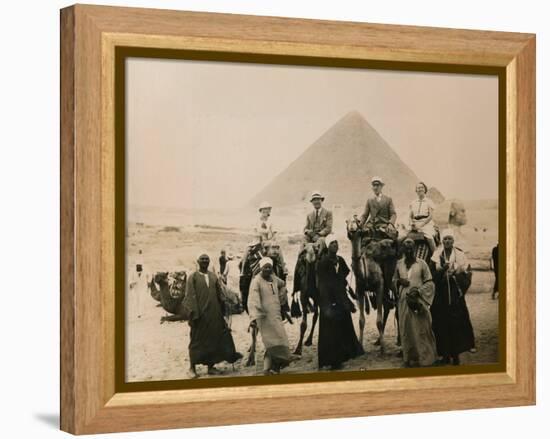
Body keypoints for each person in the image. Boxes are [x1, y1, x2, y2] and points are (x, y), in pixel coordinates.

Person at [182, 253, 242, 378]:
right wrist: (194, 314)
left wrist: (225, 307)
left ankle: (211, 367)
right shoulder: (192, 277)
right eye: (202, 259)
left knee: (213, 340)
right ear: (198, 261)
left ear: (209, 261)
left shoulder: (213, 276)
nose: (205, 261)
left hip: (214, 315)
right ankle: (192, 368)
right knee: (196, 341)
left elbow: (220, 294)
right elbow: (189, 297)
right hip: (200, 316)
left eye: (207, 259)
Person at [317, 234, 364, 369]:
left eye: (336, 243)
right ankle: (333, 361)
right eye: (332, 243)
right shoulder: (323, 263)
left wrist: (349, 295)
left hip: (341, 299)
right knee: (331, 331)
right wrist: (328, 303)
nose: (335, 245)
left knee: (344, 326)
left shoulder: (340, 260)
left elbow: (343, 278)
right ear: (327, 246)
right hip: (329, 301)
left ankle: (345, 355)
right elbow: (323, 284)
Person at [430, 229, 475, 365]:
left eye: (449, 239)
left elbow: (467, 273)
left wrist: (455, 275)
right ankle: (444, 354)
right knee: (441, 323)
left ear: (453, 240)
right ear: (442, 241)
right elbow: (432, 275)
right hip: (441, 295)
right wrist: (443, 273)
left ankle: (456, 354)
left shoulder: (460, 255)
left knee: (456, 323)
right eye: (445, 239)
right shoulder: (436, 255)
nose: (447, 241)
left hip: (455, 294)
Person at [394, 238, 437, 367]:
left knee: (421, 329)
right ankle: (409, 358)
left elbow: (430, 283)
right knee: (406, 330)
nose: (408, 249)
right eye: (406, 247)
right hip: (403, 302)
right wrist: (399, 282)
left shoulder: (422, 264)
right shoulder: (399, 264)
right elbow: (393, 281)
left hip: (417, 302)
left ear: (414, 249)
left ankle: (425, 358)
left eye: (411, 247)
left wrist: (418, 291)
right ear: (403, 249)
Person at [248, 257, 294, 375]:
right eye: (265, 267)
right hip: (264, 317)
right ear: (261, 268)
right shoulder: (256, 281)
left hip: (276, 315)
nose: (267, 269)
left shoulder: (274, 279)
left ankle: (274, 367)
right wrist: (256, 314)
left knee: (280, 340)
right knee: (270, 343)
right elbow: (253, 299)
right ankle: (267, 369)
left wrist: (282, 294)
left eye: (269, 267)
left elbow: (283, 284)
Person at [407, 182, 437, 253]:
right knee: (403, 237)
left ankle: (436, 258)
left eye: (422, 187)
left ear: (425, 190)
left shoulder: (429, 201)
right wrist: (411, 223)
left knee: (429, 238)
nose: (420, 189)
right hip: (415, 223)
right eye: (418, 188)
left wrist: (421, 225)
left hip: (426, 224)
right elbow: (410, 216)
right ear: (416, 190)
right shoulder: (413, 202)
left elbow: (430, 216)